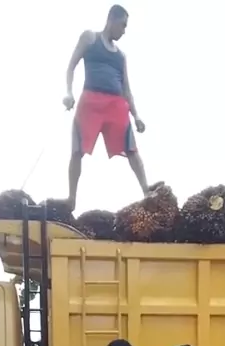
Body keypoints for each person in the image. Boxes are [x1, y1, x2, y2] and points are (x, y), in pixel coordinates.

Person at [62, 5, 149, 211]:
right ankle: (71, 198)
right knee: (77, 150)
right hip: (91, 100)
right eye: (123, 25)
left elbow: (127, 88)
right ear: (111, 19)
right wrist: (69, 92)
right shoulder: (90, 38)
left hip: (116, 104)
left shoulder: (121, 56)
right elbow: (71, 65)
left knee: (131, 149)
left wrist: (136, 115)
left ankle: (147, 191)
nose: (124, 31)